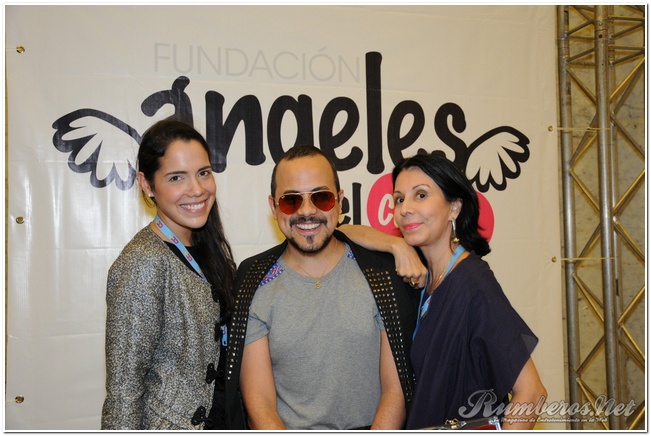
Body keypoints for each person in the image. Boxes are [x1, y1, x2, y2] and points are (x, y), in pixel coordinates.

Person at [339, 151, 547, 430]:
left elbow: (532, 392)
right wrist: (396, 245)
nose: (405, 208)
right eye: (399, 199)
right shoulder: (422, 278)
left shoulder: (472, 282)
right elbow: (343, 231)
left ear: (454, 207)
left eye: (421, 195)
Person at [223, 145, 419, 430]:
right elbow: (260, 408)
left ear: (339, 202)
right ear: (273, 207)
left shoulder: (379, 275)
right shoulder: (254, 281)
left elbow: (395, 390)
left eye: (321, 197)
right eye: (291, 200)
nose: (306, 210)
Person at [101, 120, 240, 430]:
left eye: (203, 172)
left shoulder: (207, 247)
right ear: (147, 184)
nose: (197, 189)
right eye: (177, 177)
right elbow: (123, 392)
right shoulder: (143, 261)